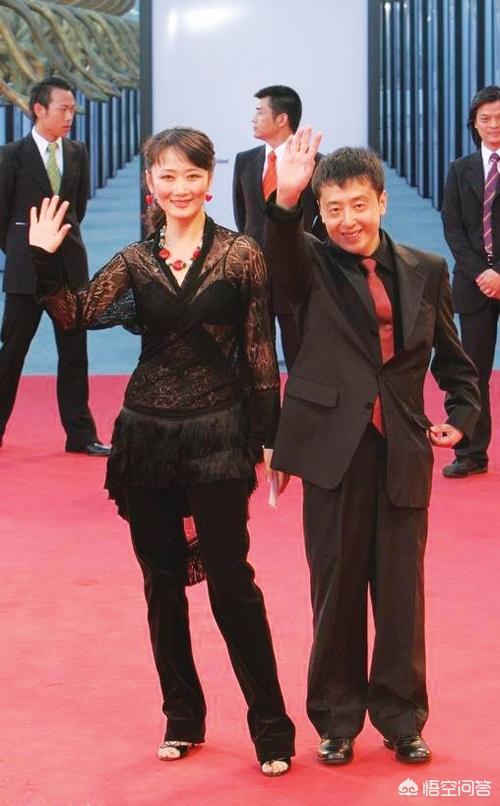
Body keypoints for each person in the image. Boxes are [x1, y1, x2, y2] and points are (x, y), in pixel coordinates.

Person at [28, 128, 295, 776]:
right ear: (151, 184)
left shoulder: (241, 255)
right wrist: (44, 258)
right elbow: (77, 312)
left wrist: (270, 439)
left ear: (209, 181)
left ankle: (272, 728)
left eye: (191, 175)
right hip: (146, 438)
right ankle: (182, 715)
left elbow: (260, 351)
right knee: (161, 583)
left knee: (232, 583)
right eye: (167, 176)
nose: (180, 188)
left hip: (219, 436)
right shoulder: (135, 261)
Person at [264, 131, 480, 765]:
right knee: (335, 590)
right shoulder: (310, 265)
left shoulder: (426, 269)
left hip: (403, 447)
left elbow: (454, 360)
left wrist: (462, 415)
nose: (347, 220)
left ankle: (401, 717)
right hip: (332, 449)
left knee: (401, 591)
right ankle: (336, 719)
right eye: (333, 209)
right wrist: (288, 199)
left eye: (358, 205)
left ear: (382, 201)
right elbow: (280, 253)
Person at [0, 76, 109, 455]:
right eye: (63, 109)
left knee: (74, 353)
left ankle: (81, 435)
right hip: (25, 272)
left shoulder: (77, 152)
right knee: (12, 352)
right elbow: (2, 216)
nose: (70, 116)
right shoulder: (11, 155)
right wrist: (24, 250)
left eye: (73, 110)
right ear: (39, 109)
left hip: (69, 269)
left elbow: (78, 208)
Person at [233, 85, 325, 370]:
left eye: (260, 112)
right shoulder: (245, 160)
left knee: (300, 354)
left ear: (282, 118)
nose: (253, 118)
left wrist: (307, 253)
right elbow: (243, 216)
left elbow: (323, 220)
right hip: (254, 275)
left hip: (296, 275)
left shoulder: (315, 163)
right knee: (256, 357)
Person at [441, 85, 500, 478]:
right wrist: (482, 272)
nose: (494, 125)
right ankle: (471, 453)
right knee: (472, 370)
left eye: (499, 118)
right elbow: (453, 228)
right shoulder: (459, 169)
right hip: (474, 283)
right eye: (486, 118)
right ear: (474, 124)